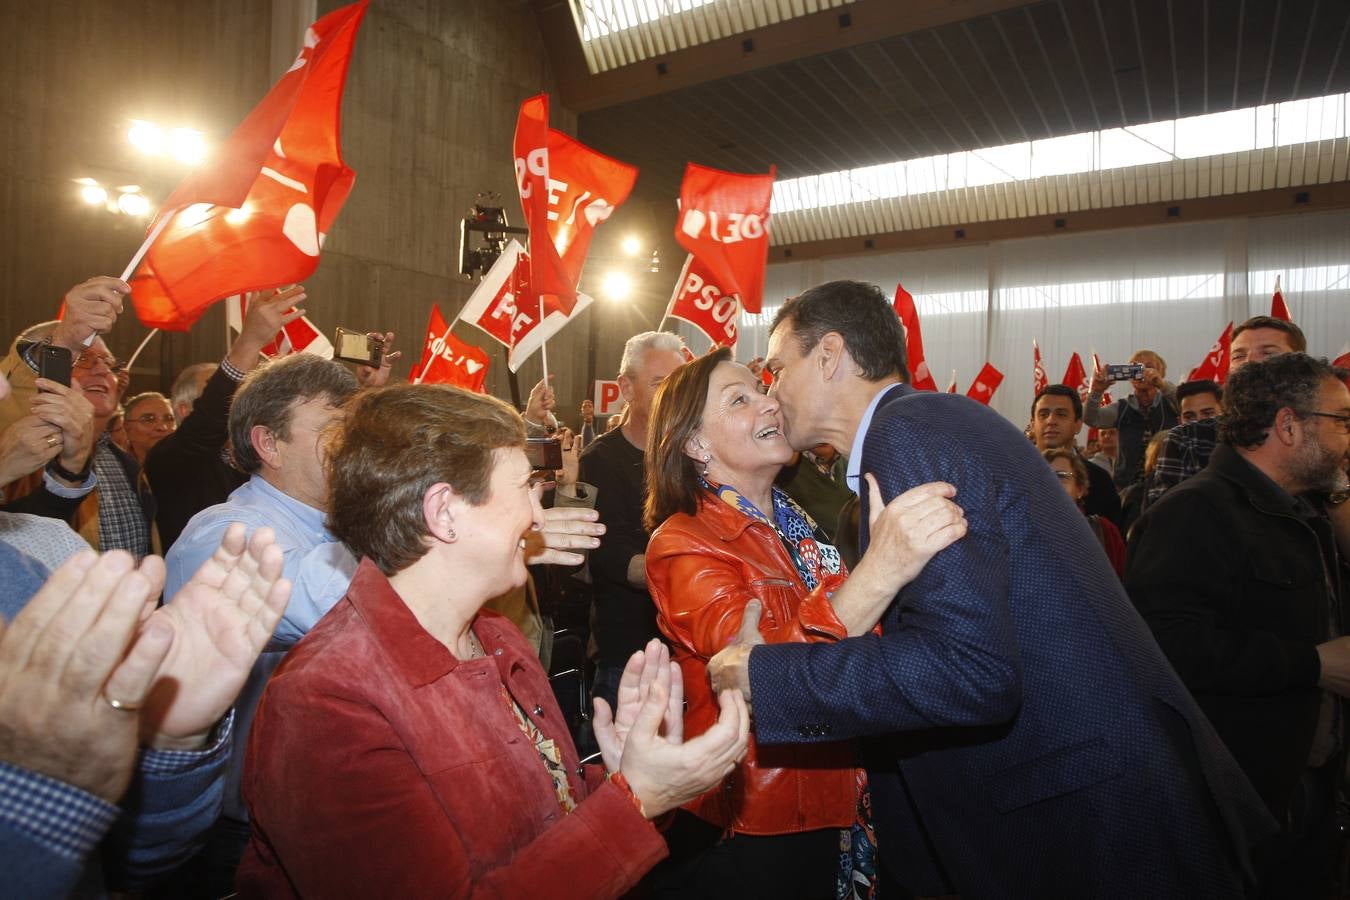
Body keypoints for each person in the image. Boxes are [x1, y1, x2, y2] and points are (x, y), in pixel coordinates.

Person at [706, 280, 1274, 898]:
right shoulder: (927, 427)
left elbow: (968, 668)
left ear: (829, 355)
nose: (772, 391)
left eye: (776, 368)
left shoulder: (908, 433)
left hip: (1084, 824)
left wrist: (772, 677)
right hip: (1090, 797)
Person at [236, 383, 751, 898]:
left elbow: (542, 819)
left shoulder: (495, 636)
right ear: (444, 512)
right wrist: (634, 801)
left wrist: (624, 780)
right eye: (526, 486)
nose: (539, 512)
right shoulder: (326, 703)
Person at [643, 347, 965, 897]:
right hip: (758, 815)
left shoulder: (799, 526)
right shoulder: (681, 543)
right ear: (695, 444)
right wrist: (881, 571)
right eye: (739, 399)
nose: (769, 404)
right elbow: (761, 671)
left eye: (763, 390)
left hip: (840, 785)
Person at [1126, 353, 1350, 896]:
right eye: (1342, 420)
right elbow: (1166, 647)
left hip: (1306, 790)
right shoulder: (1195, 512)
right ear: (1289, 425)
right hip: (1239, 804)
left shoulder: (1302, 512)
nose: (1349, 435)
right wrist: (1313, 664)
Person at [574, 331, 687, 713]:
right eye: (659, 383)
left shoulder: (698, 456)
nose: (672, 394)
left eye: (679, 383)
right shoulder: (599, 460)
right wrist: (694, 571)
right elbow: (609, 554)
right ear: (626, 387)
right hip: (631, 658)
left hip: (697, 649)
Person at [146, 285, 308, 550]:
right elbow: (208, 421)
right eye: (216, 390)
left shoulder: (255, 461)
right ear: (186, 410)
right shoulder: (170, 461)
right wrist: (249, 343)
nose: (239, 395)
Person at [1146, 316, 1306, 508]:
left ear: (1300, 365)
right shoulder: (1188, 439)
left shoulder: (1322, 432)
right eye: (1238, 356)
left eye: (1269, 354)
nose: (1250, 362)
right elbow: (1165, 521)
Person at [1085, 349, 1178, 489]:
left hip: (1166, 484)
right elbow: (1092, 419)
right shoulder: (1122, 407)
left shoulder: (1170, 402)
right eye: (1135, 368)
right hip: (1127, 488)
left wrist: (1162, 385)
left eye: (1149, 367)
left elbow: (1183, 403)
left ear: (1161, 373)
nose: (1142, 372)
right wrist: (1096, 391)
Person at [1030, 385, 1122, 526]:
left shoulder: (1098, 480)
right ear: (1032, 424)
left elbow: (1110, 543)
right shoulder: (1012, 475)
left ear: (1078, 424)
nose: (1051, 421)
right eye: (1043, 414)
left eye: (1061, 414)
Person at [1042, 447, 1125, 577]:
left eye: (1061, 476)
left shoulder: (1104, 532)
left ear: (1079, 489)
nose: (1051, 482)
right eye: (1042, 477)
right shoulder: (1020, 532)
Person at [122, 392, 177, 464]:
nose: (162, 427)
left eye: (169, 419)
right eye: (149, 419)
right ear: (127, 428)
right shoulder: (116, 467)